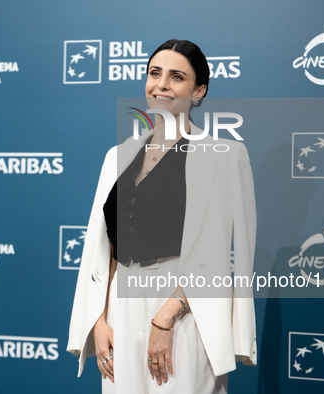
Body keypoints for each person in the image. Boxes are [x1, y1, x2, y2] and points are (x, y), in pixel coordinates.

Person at [68, 39, 257, 394]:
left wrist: (167, 317)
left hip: (186, 306)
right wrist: (101, 318)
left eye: (177, 77)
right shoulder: (119, 155)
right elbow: (109, 242)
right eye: (155, 73)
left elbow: (219, 255)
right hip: (121, 304)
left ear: (198, 91)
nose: (162, 85)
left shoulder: (224, 156)